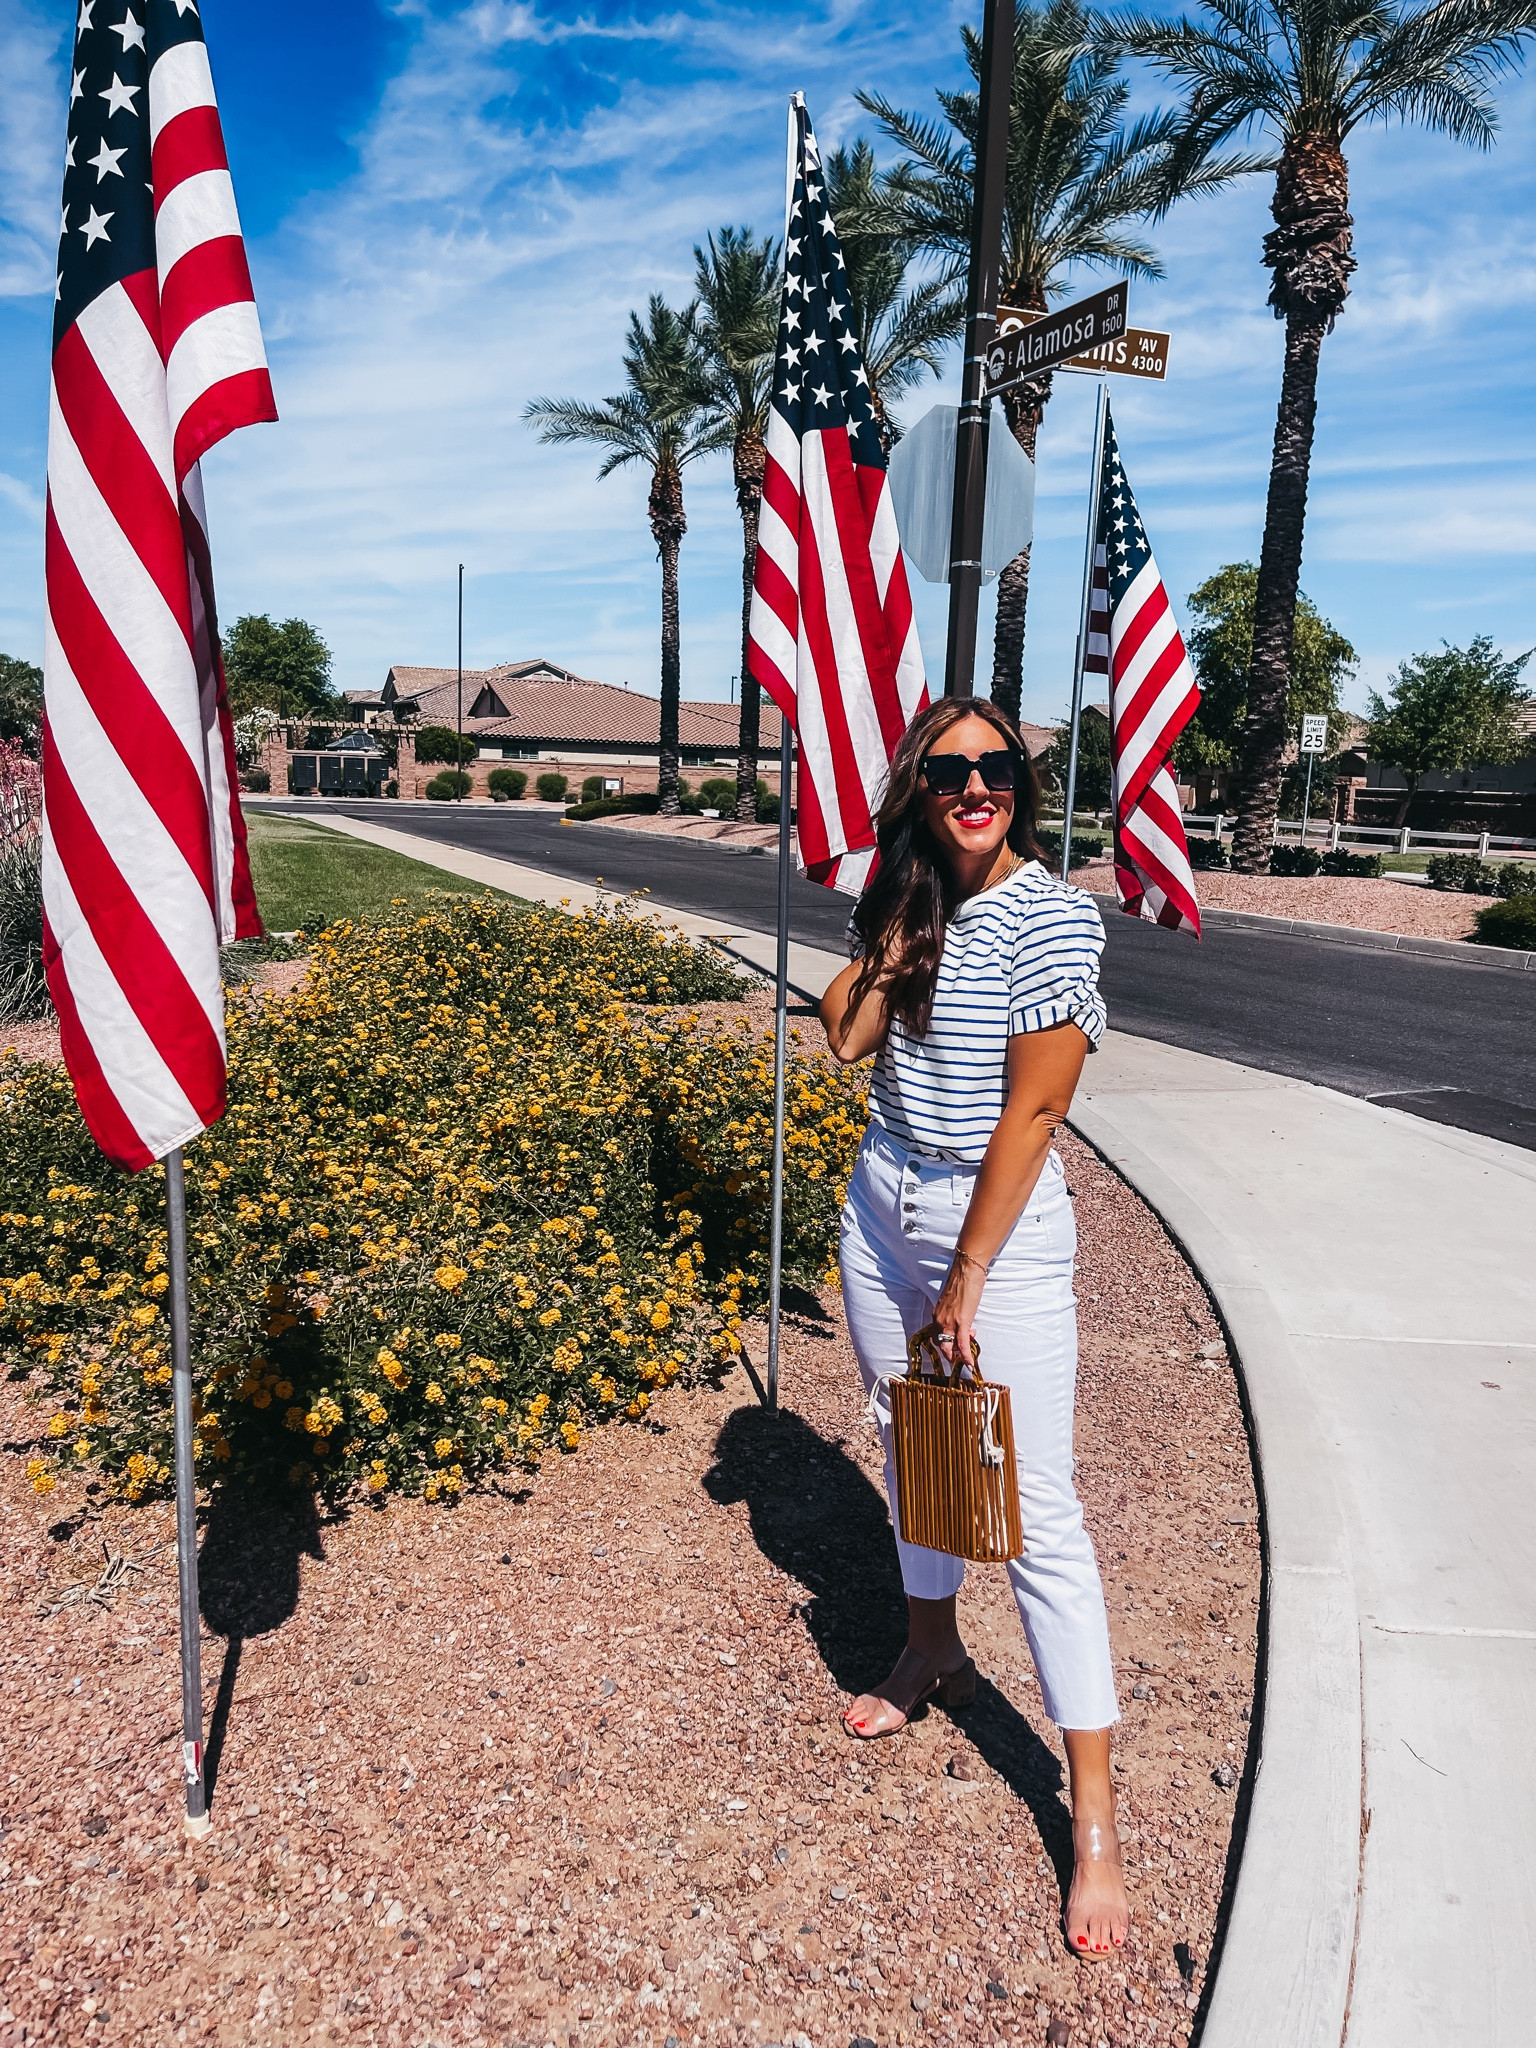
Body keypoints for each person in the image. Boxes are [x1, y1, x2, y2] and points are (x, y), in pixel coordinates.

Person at [819, 695, 1129, 1960]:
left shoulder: (1053, 912)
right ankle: (930, 1651)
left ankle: (1094, 1818)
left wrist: (966, 1280)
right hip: (880, 1195)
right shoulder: (909, 898)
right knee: (911, 1445)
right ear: (919, 789)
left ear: (1021, 785)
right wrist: (897, 933)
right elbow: (844, 1040)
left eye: (996, 767)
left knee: (1037, 1507)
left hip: (987, 1220)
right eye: (948, 770)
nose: (975, 785)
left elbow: (1038, 1111)